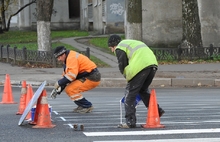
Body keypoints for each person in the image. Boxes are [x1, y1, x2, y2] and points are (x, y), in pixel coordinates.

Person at [108, 35, 165, 128]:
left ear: (114, 45)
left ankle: (130, 122)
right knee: (142, 90)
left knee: (130, 93)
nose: (112, 51)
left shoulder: (120, 47)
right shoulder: (131, 43)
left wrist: (127, 78)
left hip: (140, 67)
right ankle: (157, 111)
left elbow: (122, 64)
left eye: (111, 48)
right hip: (152, 65)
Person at [53, 46, 101, 113]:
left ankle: (87, 106)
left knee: (71, 89)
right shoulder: (68, 58)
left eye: (59, 57)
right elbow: (66, 76)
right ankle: (82, 105)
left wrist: (59, 83)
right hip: (88, 75)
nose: (58, 59)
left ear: (63, 54)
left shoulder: (71, 58)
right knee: (70, 89)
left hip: (91, 76)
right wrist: (59, 88)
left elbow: (71, 76)